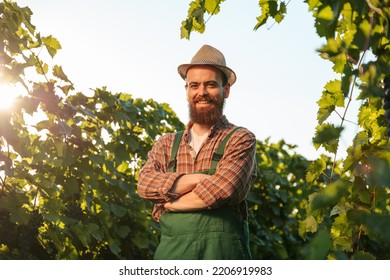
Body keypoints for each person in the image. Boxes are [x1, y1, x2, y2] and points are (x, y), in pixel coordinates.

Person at [137, 44, 257, 260]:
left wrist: (168, 202)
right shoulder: (166, 144)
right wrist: (200, 179)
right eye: (194, 85)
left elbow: (225, 190)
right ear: (187, 91)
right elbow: (145, 185)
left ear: (226, 90)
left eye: (210, 85)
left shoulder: (240, 139)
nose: (201, 92)